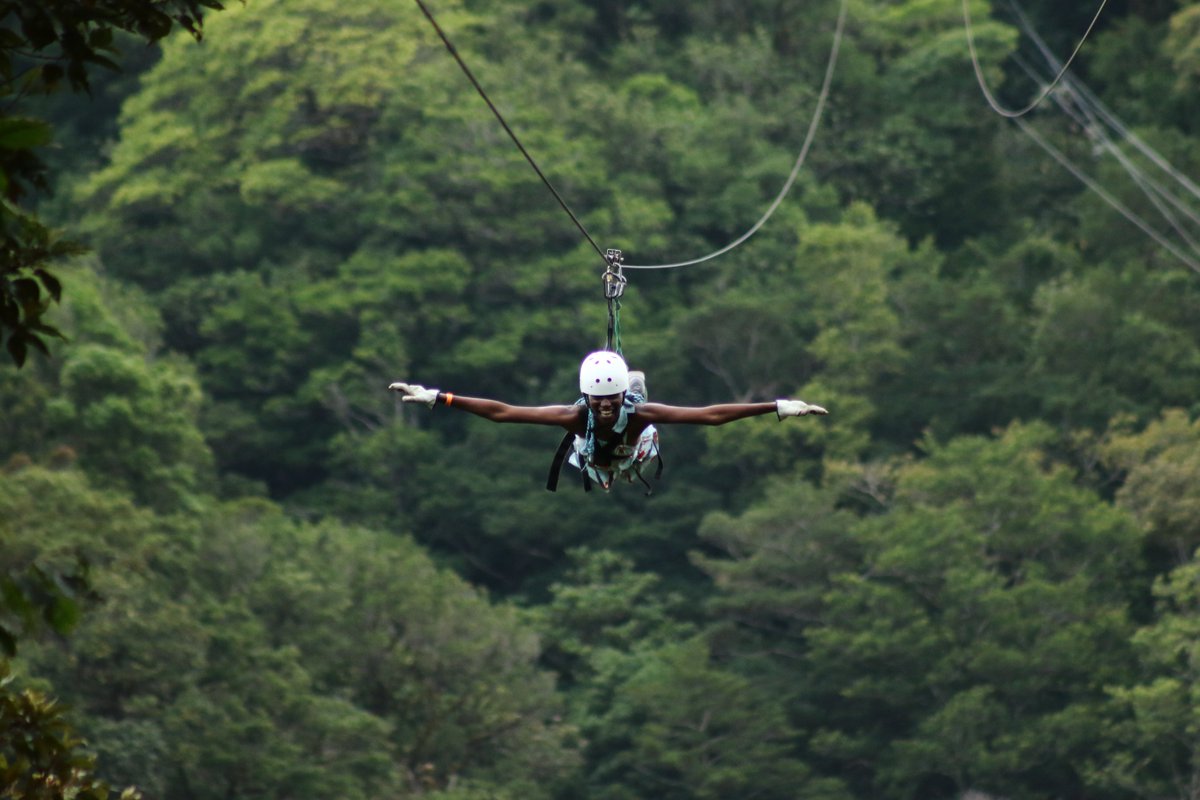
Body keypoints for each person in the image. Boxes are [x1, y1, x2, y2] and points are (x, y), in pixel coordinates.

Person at [388, 351, 828, 492]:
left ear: (620, 396)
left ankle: (634, 388)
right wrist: (439, 398)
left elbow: (710, 417)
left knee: (642, 424)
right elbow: (503, 413)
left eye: (611, 400)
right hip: (597, 461)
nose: (603, 407)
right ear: (587, 396)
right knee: (599, 456)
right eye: (597, 400)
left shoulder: (638, 414)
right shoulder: (575, 416)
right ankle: (610, 460)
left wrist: (776, 406)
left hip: (635, 447)